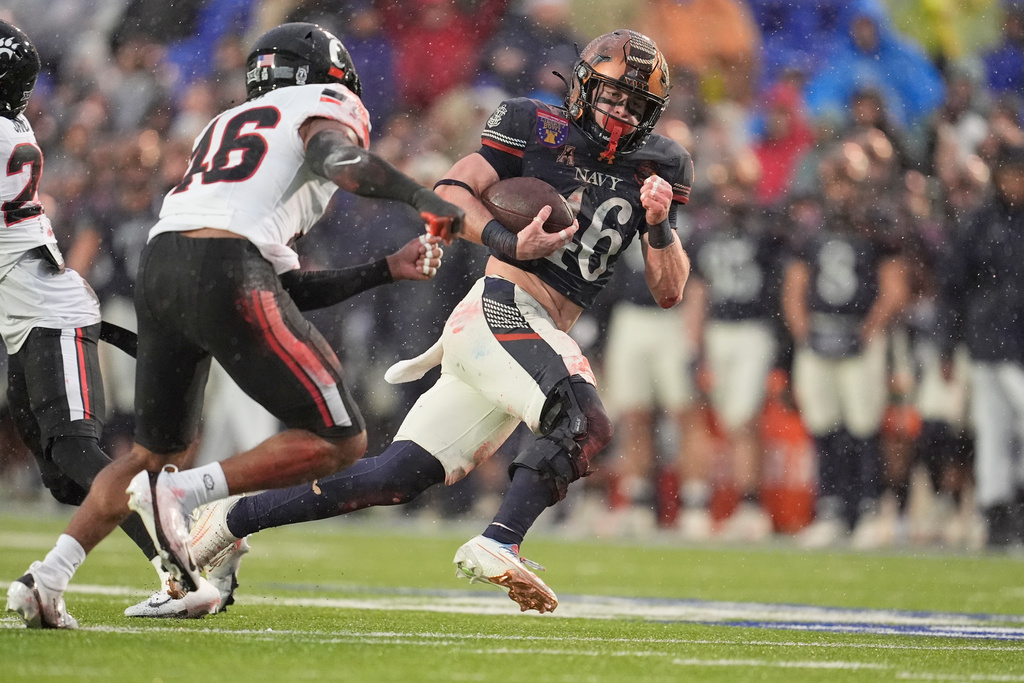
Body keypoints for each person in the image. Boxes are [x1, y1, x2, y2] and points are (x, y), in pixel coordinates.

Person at [137, 28, 692, 617]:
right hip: (501, 305)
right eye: (610, 95)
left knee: (394, 477)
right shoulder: (536, 124)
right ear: (583, 85)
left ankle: (226, 520)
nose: (619, 111)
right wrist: (506, 239)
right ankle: (499, 539)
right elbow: (451, 188)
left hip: (534, 332)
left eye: (635, 104)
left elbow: (669, 289)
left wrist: (659, 225)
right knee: (584, 420)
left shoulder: (662, 164)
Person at [6, 21, 463, 629]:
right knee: (341, 438)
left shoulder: (226, 125)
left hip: (162, 263)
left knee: (151, 452)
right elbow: (337, 158)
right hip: (227, 265)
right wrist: (419, 196)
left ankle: (49, 577)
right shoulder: (322, 106)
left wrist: (384, 268)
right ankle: (187, 495)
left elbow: (283, 282)